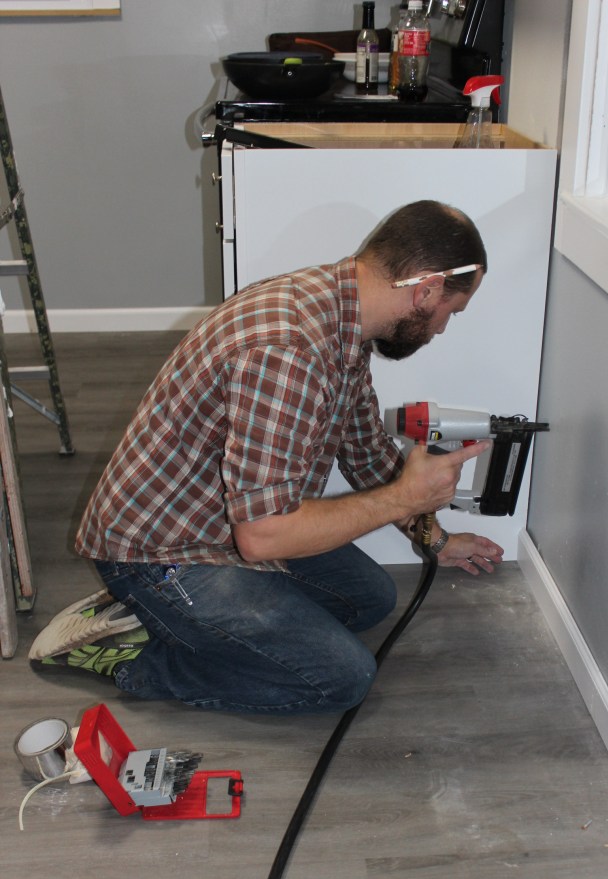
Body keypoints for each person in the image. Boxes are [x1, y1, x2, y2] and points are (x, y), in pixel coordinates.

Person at [30, 200, 503, 714]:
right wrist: (403, 498)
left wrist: (434, 538)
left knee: (370, 598)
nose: (441, 330)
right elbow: (263, 537)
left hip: (220, 520)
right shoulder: (289, 347)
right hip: (159, 552)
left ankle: (174, 622)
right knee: (340, 678)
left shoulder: (340, 316)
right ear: (426, 288)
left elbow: (367, 454)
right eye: (449, 312)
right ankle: (136, 655)